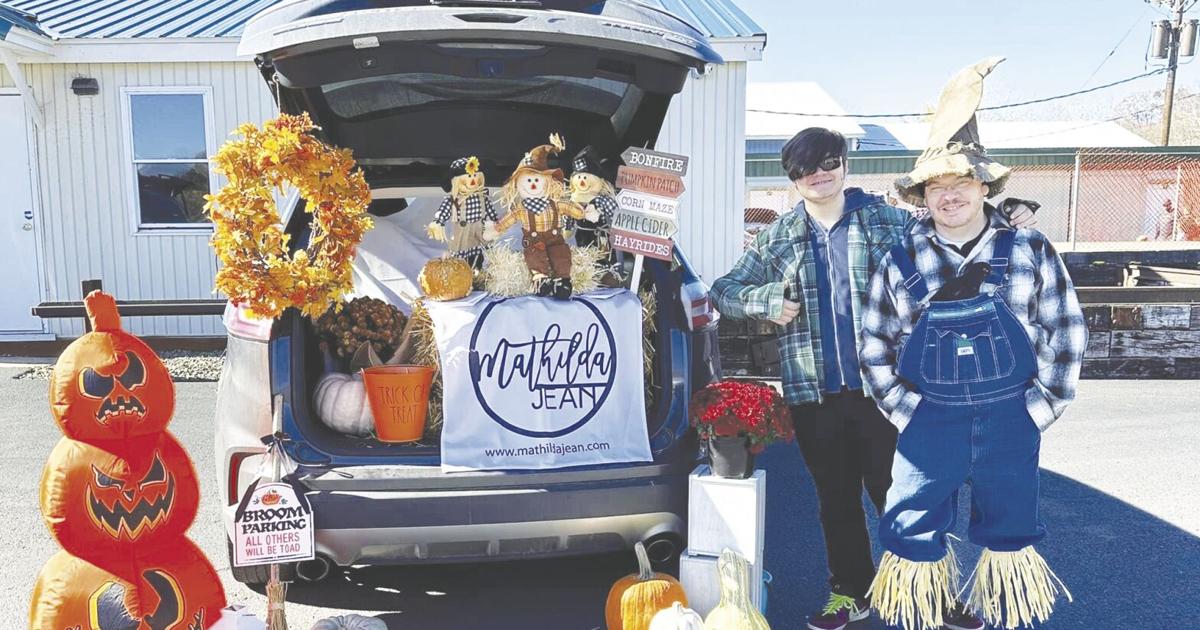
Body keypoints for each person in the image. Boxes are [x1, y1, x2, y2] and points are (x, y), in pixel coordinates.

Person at [709, 125, 1037, 630]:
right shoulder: (778, 236)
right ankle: (850, 592)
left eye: (828, 163)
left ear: (844, 165)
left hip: (887, 390)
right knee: (835, 500)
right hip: (812, 390)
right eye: (805, 168)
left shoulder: (889, 221)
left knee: (905, 495)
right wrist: (768, 302)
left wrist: (1003, 213)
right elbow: (725, 290)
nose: (818, 175)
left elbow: (955, 233)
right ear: (792, 178)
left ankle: (935, 592)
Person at [859, 58, 1086, 630]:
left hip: (1012, 415)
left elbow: (1068, 332)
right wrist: (909, 413)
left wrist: (1037, 409)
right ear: (922, 195)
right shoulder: (900, 261)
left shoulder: (1031, 251)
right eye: (936, 186)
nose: (949, 195)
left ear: (984, 185)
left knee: (1011, 526)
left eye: (960, 182)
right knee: (910, 528)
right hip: (928, 420)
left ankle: (1000, 608)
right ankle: (922, 613)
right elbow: (875, 346)